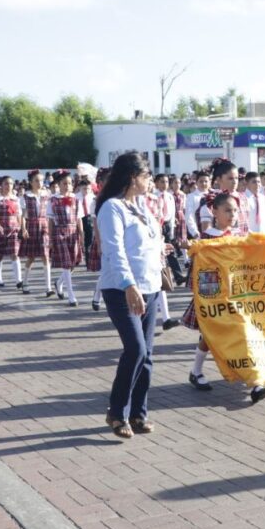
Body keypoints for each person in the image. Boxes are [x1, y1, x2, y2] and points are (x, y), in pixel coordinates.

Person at [97, 152, 167, 438]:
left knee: (147, 355)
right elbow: (114, 251)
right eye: (146, 176)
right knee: (135, 350)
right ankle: (116, 412)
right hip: (122, 289)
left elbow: (150, 243)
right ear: (131, 177)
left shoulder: (141, 206)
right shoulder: (111, 208)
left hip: (149, 288)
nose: (150, 181)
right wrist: (129, 285)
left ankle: (138, 413)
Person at [183, 193, 265, 404]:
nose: (232, 215)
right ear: (214, 212)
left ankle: (255, 382)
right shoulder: (207, 238)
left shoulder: (239, 234)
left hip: (237, 294)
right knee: (209, 337)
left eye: (234, 211)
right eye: (227, 210)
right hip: (214, 297)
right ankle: (196, 371)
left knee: (245, 331)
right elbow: (200, 271)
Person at [48, 171, 83, 305]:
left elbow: (79, 218)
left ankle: (59, 282)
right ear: (59, 185)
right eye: (65, 183)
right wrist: (50, 239)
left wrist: (81, 233)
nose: (68, 186)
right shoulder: (53, 200)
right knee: (67, 264)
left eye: (70, 183)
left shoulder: (75, 198)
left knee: (73, 263)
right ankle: (71, 295)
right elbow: (50, 221)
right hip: (60, 232)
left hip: (73, 231)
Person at [19, 170, 53, 296]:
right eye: (36, 181)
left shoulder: (47, 194)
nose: (40, 183)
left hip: (44, 226)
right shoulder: (26, 197)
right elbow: (22, 215)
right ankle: (25, 282)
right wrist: (23, 229)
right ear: (31, 182)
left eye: (41, 180)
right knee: (31, 257)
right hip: (32, 226)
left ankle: (48, 287)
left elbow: (50, 213)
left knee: (46, 256)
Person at [0, 176, 24, 287]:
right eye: (6, 184)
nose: (9, 186)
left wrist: (22, 228)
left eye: (11, 184)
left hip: (14, 230)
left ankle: (19, 280)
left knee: (15, 253)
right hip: (1, 230)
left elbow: (19, 215)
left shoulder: (16, 199)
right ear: (1, 185)